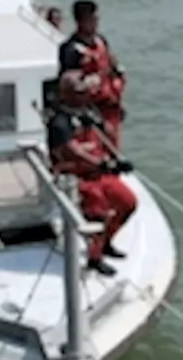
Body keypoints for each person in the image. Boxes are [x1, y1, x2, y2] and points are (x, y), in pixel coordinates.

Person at [47, 71, 136, 276]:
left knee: (128, 203)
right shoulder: (60, 122)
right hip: (77, 178)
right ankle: (94, 258)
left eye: (85, 92)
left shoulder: (88, 114)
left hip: (99, 174)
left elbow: (104, 137)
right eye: (79, 93)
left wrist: (116, 160)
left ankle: (106, 243)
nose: (84, 96)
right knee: (98, 214)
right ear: (66, 94)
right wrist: (101, 163)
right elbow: (73, 150)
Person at [58, 0, 126, 149]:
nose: (96, 22)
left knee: (114, 146)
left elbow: (111, 66)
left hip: (110, 105)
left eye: (97, 18)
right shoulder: (70, 50)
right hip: (90, 110)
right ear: (81, 21)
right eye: (93, 19)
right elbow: (68, 86)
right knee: (98, 148)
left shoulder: (101, 40)